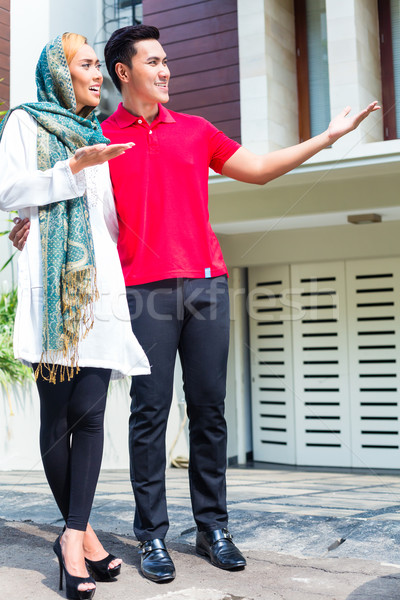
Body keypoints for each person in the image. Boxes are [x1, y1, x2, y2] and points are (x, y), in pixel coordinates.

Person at [10, 24, 380, 585]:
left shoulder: (195, 130)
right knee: (149, 415)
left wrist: (326, 138)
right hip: (142, 292)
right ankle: (151, 535)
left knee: (209, 412)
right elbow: (73, 199)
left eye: (167, 63)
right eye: (153, 62)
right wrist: (27, 222)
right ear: (123, 72)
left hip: (207, 285)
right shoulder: (101, 136)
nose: (165, 71)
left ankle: (213, 527)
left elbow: (257, 170)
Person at [0, 33, 150, 599]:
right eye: (87, 64)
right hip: (49, 291)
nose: (98, 74)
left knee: (90, 416)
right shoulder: (25, 123)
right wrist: (67, 170)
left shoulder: (97, 133)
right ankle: (82, 537)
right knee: (57, 418)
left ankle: (70, 537)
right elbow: (7, 187)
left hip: (97, 290)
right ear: (60, 71)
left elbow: (108, 219)